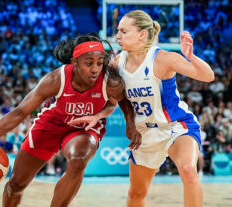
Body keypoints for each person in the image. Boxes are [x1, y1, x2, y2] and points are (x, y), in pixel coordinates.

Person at [68, 10, 214, 207]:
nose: (117, 35)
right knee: (136, 194)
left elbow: (208, 76)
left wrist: (191, 57)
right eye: (117, 31)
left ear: (142, 34)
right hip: (144, 133)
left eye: (124, 31)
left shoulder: (163, 58)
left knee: (188, 169)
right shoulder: (116, 63)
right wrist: (98, 115)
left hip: (176, 127)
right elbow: (113, 101)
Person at [0, 34, 126, 207]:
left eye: (99, 63)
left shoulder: (109, 80)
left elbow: (114, 103)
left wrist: (98, 116)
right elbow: (20, 112)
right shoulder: (55, 79)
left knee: (78, 160)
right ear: (74, 62)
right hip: (51, 123)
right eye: (89, 63)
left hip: (84, 126)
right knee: (16, 184)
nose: (95, 69)